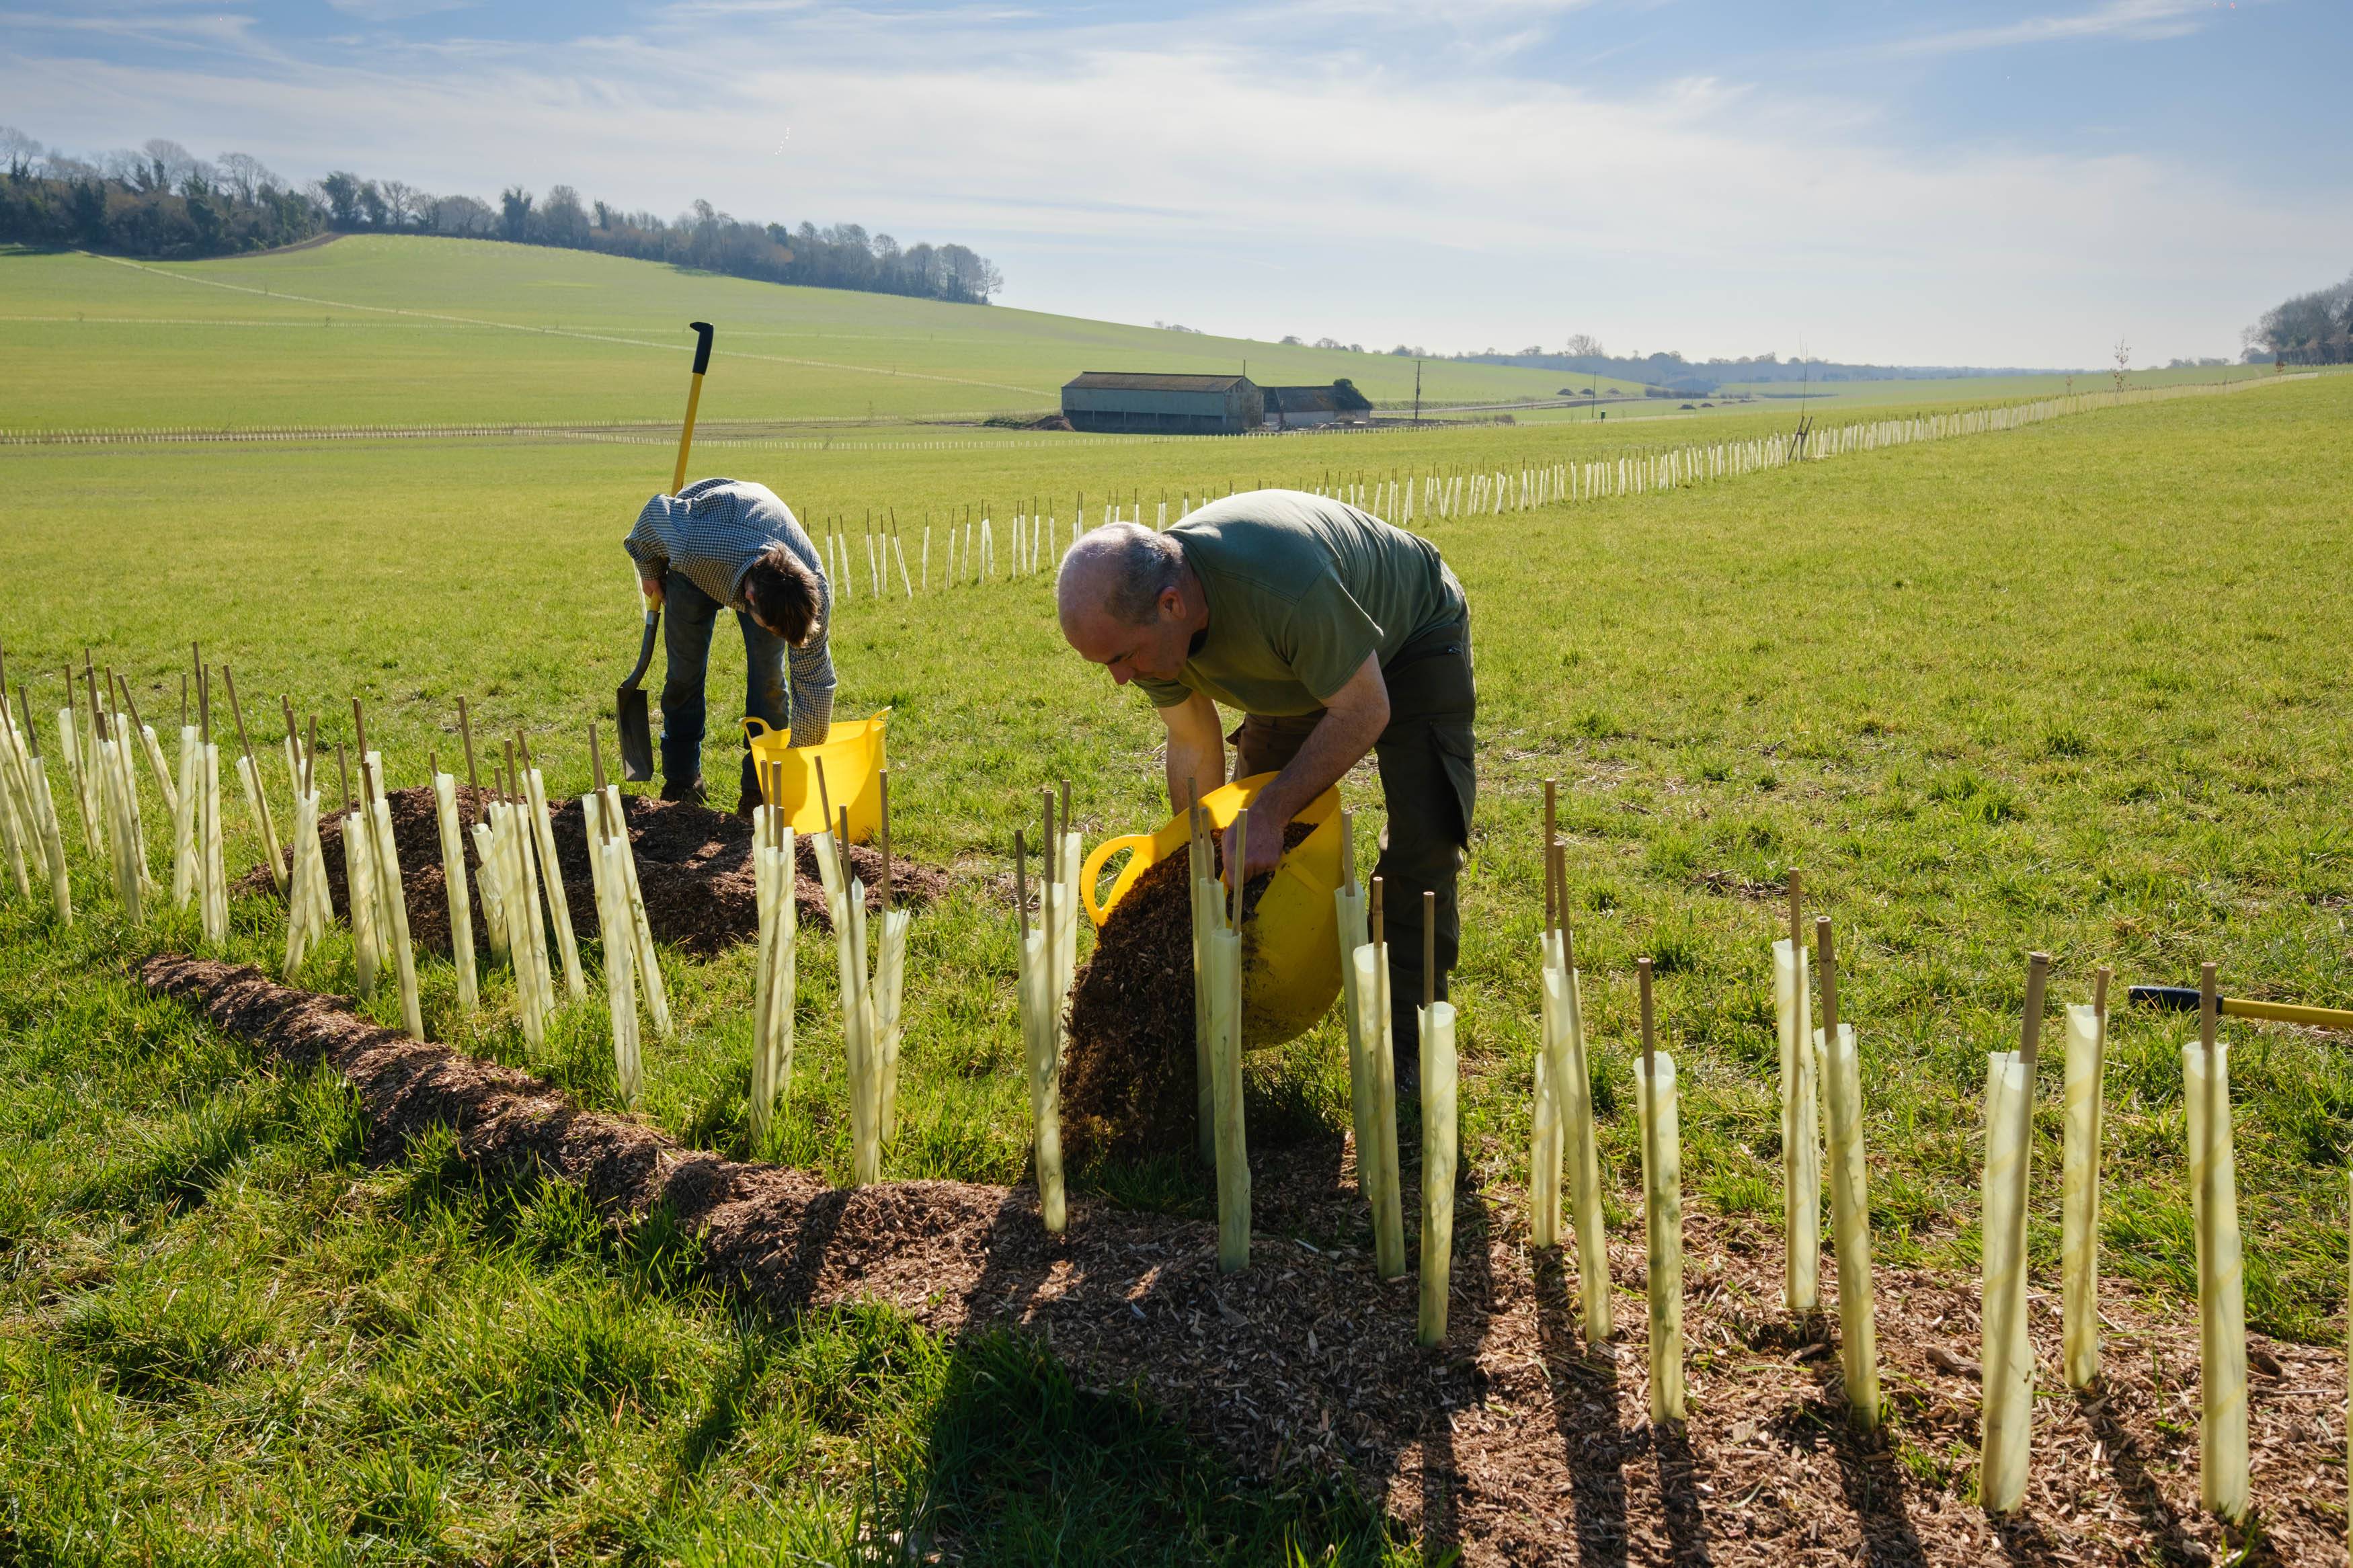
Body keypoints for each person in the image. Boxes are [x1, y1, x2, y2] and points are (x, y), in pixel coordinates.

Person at [1055, 491, 1474, 1084]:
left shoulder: (1283, 586)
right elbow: (1192, 739)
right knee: (1239, 857)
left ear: (1172, 605)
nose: (1121, 679)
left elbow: (1363, 707)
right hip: (1293, 669)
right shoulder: (1145, 620)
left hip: (1410, 637)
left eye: (1121, 658)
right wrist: (1192, 864)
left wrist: (1274, 810)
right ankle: (1229, 1013)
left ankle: (1408, 1041)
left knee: (1424, 837)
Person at [624, 477, 834, 813]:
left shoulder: (810, 595)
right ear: (750, 599)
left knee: (769, 681)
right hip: (700, 559)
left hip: (756, 534)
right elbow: (652, 516)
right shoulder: (692, 543)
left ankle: (762, 787)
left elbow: (816, 684)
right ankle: (683, 780)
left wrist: (793, 759)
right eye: (774, 629)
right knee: (684, 673)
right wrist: (649, 568)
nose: (781, 638)